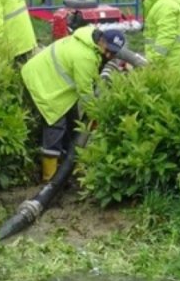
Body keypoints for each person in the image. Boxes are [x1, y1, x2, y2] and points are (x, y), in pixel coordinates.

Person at [20, 25, 126, 181]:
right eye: (107, 49)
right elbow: (85, 92)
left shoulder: (89, 40)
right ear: (101, 40)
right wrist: (95, 115)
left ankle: (71, 168)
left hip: (50, 79)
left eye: (113, 52)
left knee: (74, 123)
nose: (109, 54)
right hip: (42, 83)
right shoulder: (85, 57)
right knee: (56, 124)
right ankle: (50, 179)